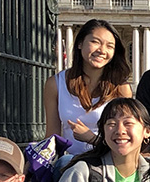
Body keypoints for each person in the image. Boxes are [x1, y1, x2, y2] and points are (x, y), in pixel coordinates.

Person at [44, 19, 133, 155]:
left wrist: (91, 138)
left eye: (110, 46)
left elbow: (124, 140)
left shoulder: (121, 88)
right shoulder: (55, 84)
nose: (102, 50)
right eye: (95, 42)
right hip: (70, 163)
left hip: (107, 161)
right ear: (80, 43)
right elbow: (52, 135)